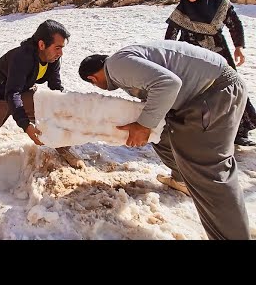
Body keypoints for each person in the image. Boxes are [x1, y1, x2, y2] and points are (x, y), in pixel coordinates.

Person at [78, 40, 250, 240]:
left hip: (214, 93)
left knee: (210, 174)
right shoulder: (124, 63)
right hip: (207, 92)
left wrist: (143, 125)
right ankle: (180, 178)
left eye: (95, 83)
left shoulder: (116, 65)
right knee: (162, 134)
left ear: (93, 78)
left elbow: (168, 84)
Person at [0, 19, 84, 190]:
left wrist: (65, 108)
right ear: (41, 44)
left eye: (62, 48)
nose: (60, 53)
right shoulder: (21, 57)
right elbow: (11, 93)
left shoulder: (53, 59)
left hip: (21, 92)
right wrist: (26, 126)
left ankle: (63, 147)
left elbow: (55, 88)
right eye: (57, 48)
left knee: (53, 107)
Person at [165, 0, 256, 147]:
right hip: (190, 56)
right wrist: (167, 56)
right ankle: (193, 130)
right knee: (194, 92)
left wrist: (239, 48)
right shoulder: (182, 8)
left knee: (230, 88)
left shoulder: (220, 4)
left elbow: (234, 24)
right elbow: (171, 35)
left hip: (218, 53)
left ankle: (239, 131)